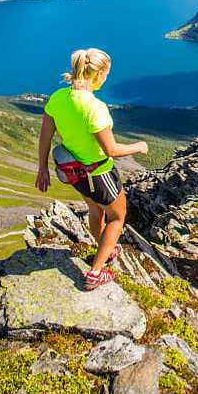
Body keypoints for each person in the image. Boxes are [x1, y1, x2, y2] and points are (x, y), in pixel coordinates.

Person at [35, 48, 148, 290]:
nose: (106, 79)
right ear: (97, 74)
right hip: (99, 172)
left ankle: (104, 249)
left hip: (74, 172)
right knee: (117, 217)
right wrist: (139, 146)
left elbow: (45, 136)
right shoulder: (95, 108)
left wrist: (42, 168)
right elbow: (111, 150)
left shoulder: (57, 98)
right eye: (106, 74)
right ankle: (95, 272)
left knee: (95, 210)